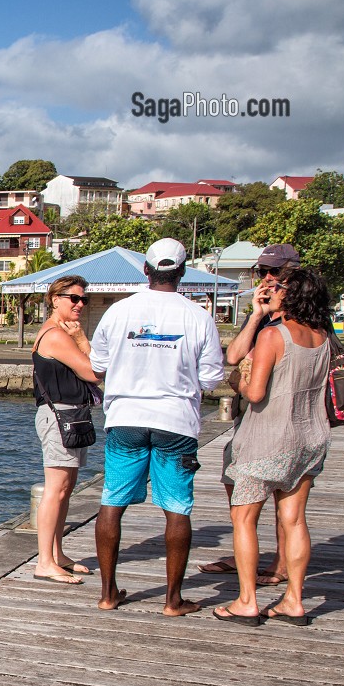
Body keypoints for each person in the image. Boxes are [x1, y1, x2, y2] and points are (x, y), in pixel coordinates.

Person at [89, 238, 226, 615]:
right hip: (176, 421)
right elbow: (212, 378)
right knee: (177, 508)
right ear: (181, 272)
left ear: (145, 270)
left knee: (112, 503)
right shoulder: (198, 316)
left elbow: (97, 367)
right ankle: (173, 600)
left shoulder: (118, 312)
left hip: (126, 419)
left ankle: (107, 593)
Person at [214, 267, 332, 626]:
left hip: (267, 440)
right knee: (294, 520)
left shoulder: (274, 336)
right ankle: (294, 600)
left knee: (243, 519)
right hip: (310, 438)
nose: (271, 289)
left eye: (278, 287)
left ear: (291, 295)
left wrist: (237, 380)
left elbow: (256, 392)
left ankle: (247, 601)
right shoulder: (322, 335)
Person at [199, 243, 302, 584]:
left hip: (284, 419)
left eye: (277, 272)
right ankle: (249, 552)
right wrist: (257, 314)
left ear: (293, 275)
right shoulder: (261, 316)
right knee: (235, 483)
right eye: (263, 272)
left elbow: (245, 377)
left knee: (285, 502)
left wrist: (239, 383)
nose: (269, 279)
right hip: (251, 420)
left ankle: (280, 566)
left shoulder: (305, 316)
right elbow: (234, 356)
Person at [31, 274, 100, 584]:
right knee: (55, 489)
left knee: (65, 488)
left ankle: (57, 554)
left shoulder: (59, 333)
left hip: (70, 414)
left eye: (83, 299)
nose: (80, 304)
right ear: (54, 300)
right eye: (74, 298)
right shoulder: (56, 336)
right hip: (59, 416)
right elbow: (94, 371)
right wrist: (84, 340)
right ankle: (44, 561)